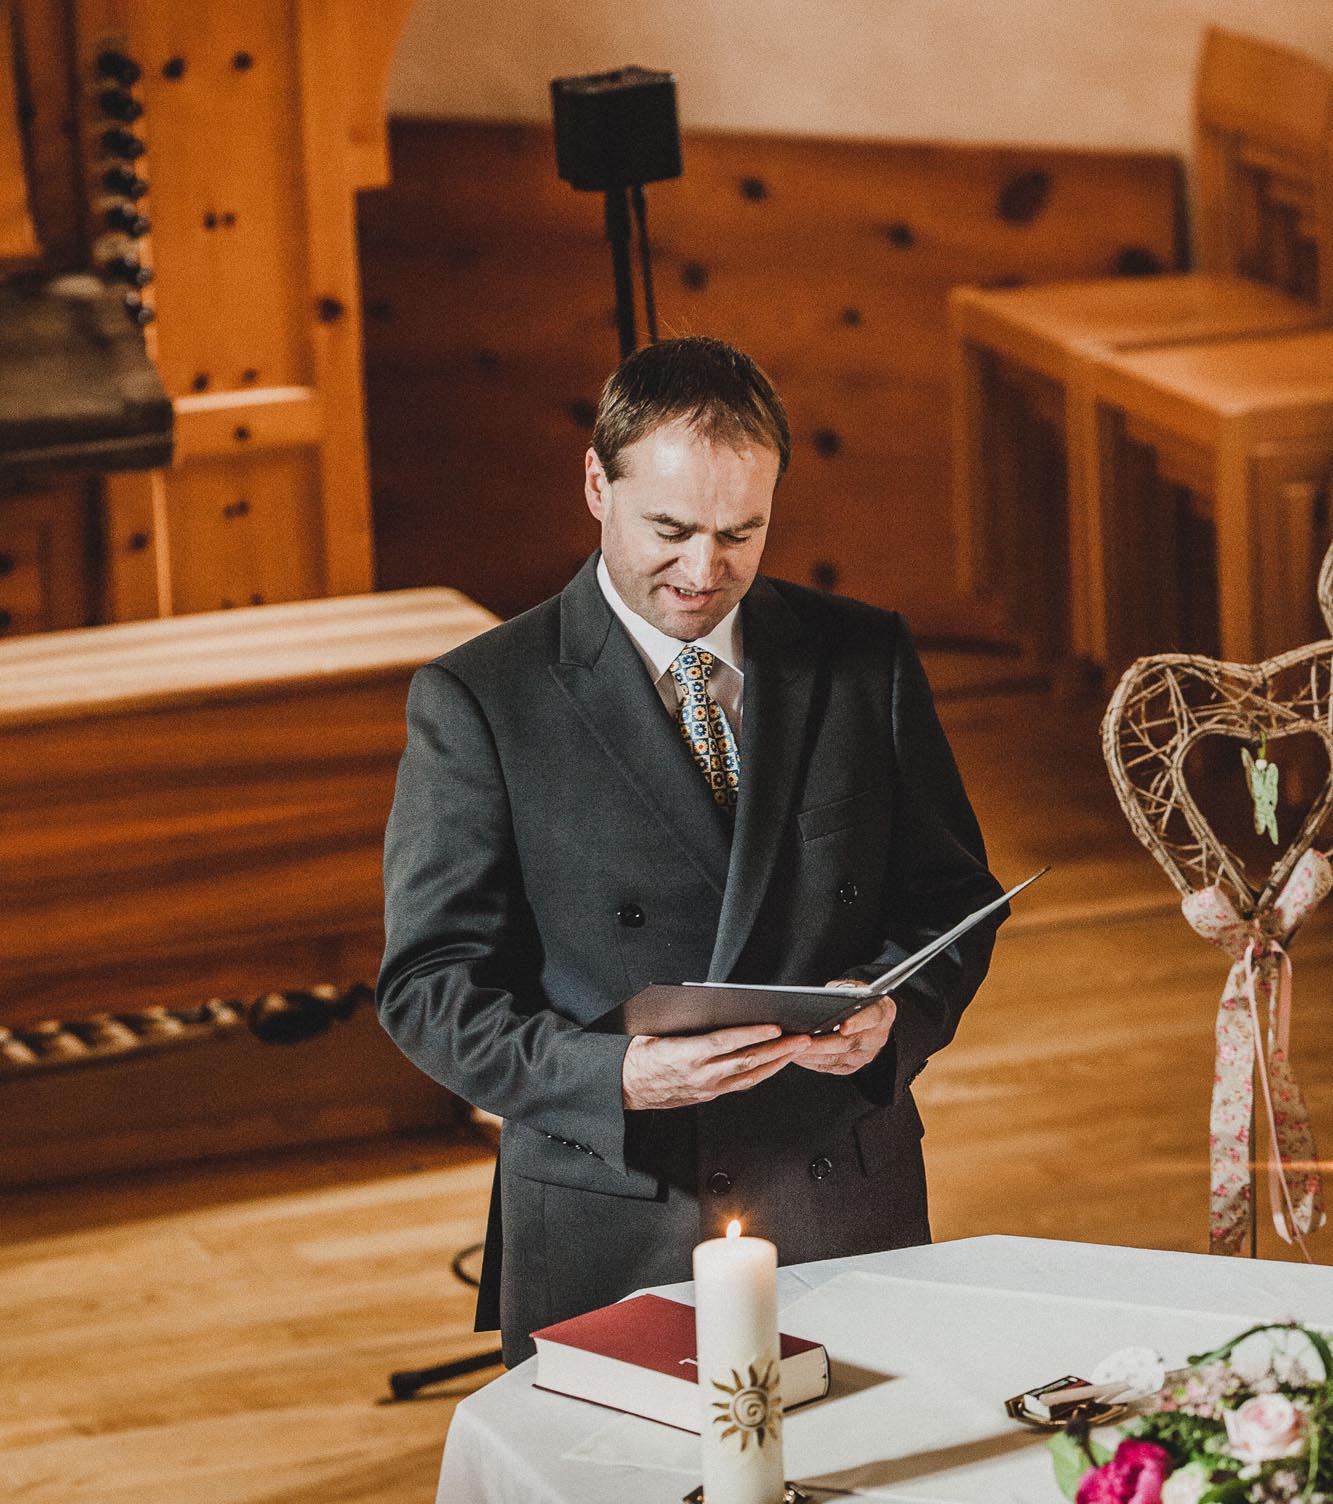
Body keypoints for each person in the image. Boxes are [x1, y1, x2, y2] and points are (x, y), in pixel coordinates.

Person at [377, 337, 1004, 1365]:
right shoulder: (481, 699)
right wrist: (617, 1073)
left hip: (840, 1200)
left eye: (739, 532)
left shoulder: (862, 656)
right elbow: (429, 989)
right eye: (668, 529)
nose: (703, 571)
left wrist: (892, 1018)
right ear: (595, 482)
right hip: (612, 1213)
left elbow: (954, 903)